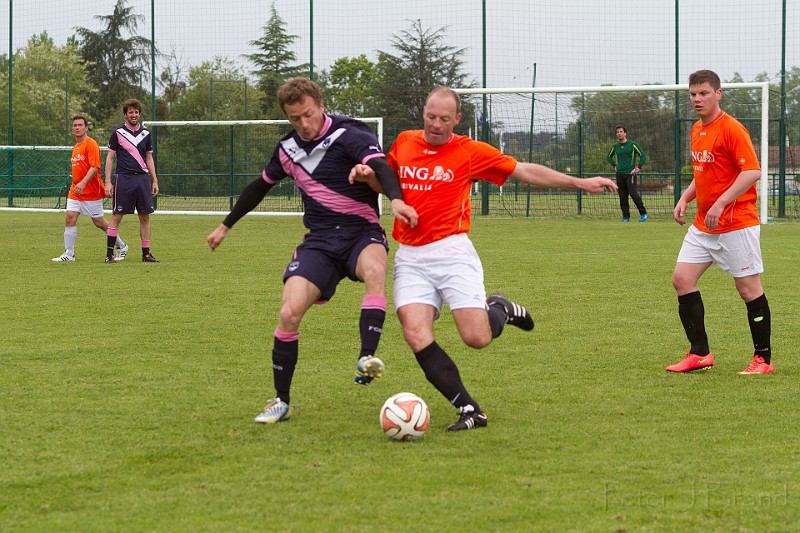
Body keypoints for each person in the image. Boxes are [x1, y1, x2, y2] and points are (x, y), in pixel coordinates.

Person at [350, 87, 617, 431]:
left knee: (476, 338)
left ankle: (500, 308)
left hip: (452, 254)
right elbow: (389, 187)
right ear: (424, 113)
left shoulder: (469, 151)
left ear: (457, 120)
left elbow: (525, 171)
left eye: (444, 119)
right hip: (412, 258)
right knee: (416, 333)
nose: (435, 125)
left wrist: (579, 183)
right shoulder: (404, 142)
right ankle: (470, 410)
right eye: (431, 117)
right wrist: (368, 176)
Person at [206, 77, 418, 425]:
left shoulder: (351, 134)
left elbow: (382, 167)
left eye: (308, 114)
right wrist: (225, 225)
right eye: (294, 119)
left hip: (361, 234)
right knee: (288, 313)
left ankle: (367, 359)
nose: (304, 125)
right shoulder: (287, 150)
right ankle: (281, 401)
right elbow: (259, 187)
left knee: (376, 272)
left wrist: (395, 200)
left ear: (320, 104)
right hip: (319, 242)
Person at [667, 70, 773, 375]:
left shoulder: (732, 129)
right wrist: (686, 197)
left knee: (748, 289)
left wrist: (722, 201)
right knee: (682, 280)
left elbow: (752, 172)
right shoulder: (697, 129)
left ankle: (763, 360)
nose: (697, 99)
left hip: (736, 223)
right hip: (704, 226)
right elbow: (703, 173)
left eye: (703, 93)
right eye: (692, 94)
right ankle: (700, 353)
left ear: (718, 93)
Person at [53, 115, 127, 262]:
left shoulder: (91, 144)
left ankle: (121, 246)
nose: (77, 128)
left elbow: (95, 167)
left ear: (86, 128)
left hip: (90, 191)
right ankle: (69, 253)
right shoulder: (76, 147)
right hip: (76, 191)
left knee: (99, 222)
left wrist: (83, 183)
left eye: (80, 125)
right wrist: (77, 184)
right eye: (75, 125)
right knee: (69, 217)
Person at [104, 98, 160, 263]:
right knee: (117, 215)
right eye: (131, 112)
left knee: (145, 216)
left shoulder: (146, 134)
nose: (134, 115)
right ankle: (109, 255)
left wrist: (154, 180)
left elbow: (149, 158)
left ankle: (146, 254)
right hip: (124, 179)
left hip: (142, 179)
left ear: (139, 114)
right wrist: (108, 181)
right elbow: (109, 158)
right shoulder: (118, 133)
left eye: (136, 112)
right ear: (125, 114)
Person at [606, 125, 648, 222]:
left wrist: (638, 168)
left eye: (621, 131)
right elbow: (608, 157)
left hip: (630, 174)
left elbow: (643, 155)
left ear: (625, 133)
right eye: (617, 132)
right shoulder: (615, 147)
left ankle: (643, 213)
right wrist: (614, 164)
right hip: (620, 174)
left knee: (633, 194)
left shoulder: (632, 145)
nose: (619, 133)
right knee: (622, 195)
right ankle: (626, 217)